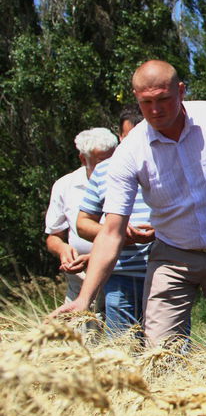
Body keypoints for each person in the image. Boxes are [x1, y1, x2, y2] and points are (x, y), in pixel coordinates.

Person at [52, 60, 206, 349]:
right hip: (172, 257)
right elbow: (112, 231)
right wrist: (84, 299)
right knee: (161, 353)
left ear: (180, 91)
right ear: (136, 98)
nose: (155, 110)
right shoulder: (129, 152)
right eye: (146, 102)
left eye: (163, 99)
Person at [76, 105, 154, 336]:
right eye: (129, 137)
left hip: (167, 273)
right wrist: (116, 232)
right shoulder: (103, 171)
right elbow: (83, 223)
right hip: (120, 276)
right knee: (123, 352)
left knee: (169, 351)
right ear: (120, 137)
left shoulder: (172, 163)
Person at [44, 128, 118, 305]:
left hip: (119, 282)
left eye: (113, 158)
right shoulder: (65, 185)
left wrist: (94, 258)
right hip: (79, 286)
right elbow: (53, 236)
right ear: (83, 159)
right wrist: (63, 250)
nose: (109, 165)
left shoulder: (126, 181)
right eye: (101, 161)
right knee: (77, 332)